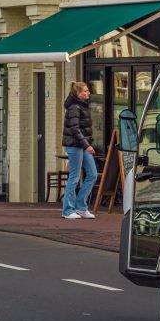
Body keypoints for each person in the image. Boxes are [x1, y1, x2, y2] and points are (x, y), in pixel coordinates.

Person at [61, 81, 97, 220]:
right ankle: (67, 210)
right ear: (78, 93)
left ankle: (81, 207)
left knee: (92, 174)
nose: (88, 93)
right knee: (74, 177)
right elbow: (75, 129)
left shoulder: (81, 106)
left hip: (81, 145)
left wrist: (86, 144)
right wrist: (87, 145)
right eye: (85, 91)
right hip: (75, 145)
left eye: (88, 90)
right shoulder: (74, 107)